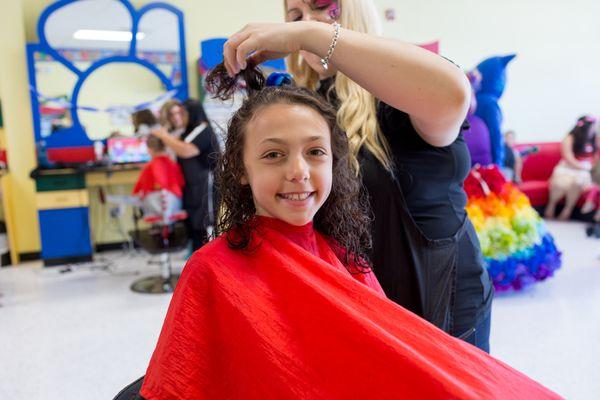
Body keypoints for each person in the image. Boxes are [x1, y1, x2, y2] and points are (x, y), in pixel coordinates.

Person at [139, 66, 558, 400]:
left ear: (333, 164)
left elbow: (387, 362)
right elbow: (179, 384)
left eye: (315, 152)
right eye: (273, 154)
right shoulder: (212, 271)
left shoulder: (345, 257)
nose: (298, 171)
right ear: (240, 171)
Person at [221, 0, 492, 351]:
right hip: (358, 300)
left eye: (325, 9)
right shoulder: (309, 107)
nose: (309, 23)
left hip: (437, 298)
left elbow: (452, 92)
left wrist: (310, 33)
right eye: (295, 17)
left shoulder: (398, 95)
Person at [155, 99, 220, 249]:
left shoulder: (204, 129)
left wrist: (163, 136)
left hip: (205, 186)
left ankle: (210, 264)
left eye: (182, 113)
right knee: (194, 226)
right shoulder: (186, 132)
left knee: (206, 225)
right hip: (192, 187)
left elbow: (186, 150)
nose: (179, 117)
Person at [545, 115, 598, 220]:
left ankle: (568, 209)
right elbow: (568, 156)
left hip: (583, 171)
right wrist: (581, 166)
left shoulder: (594, 139)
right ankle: (551, 205)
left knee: (578, 183)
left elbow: (595, 156)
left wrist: (589, 166)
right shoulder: (570, 138)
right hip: (568, 168)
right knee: (560, 184)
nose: (594, 129)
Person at [132, 135, 185, 221]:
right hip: (174, 204)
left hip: (155, 205)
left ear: (149, 149)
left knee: (142, 197)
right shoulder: (173, 164)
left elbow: (140, 188)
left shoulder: (149, 166)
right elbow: (181, 183)